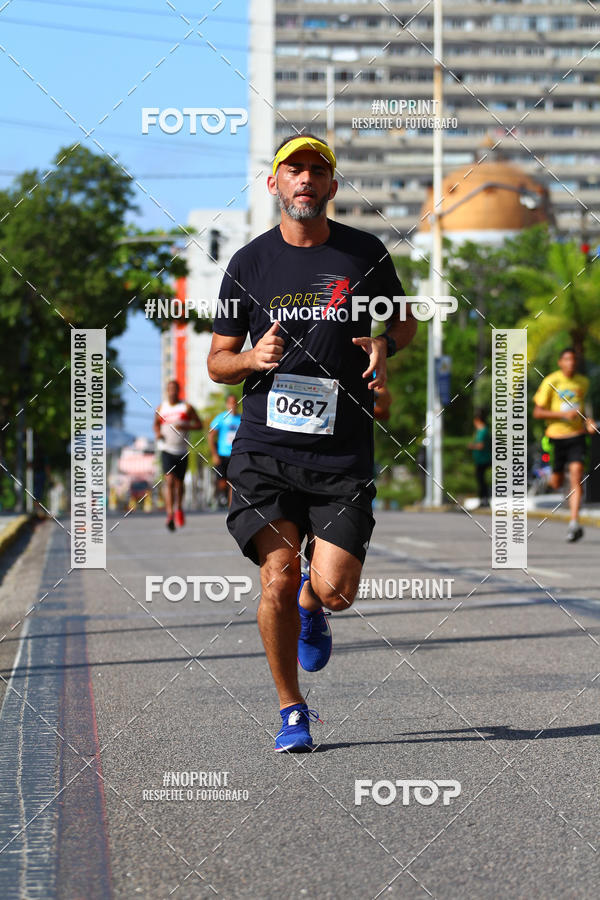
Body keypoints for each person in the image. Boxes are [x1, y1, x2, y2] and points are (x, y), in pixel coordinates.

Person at [207, 133, 417, 752]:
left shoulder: (365, 253)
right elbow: (217, 362)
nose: (304, 180)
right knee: (276, 572)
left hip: (341, 453)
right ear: (274, 184)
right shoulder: (247, 264)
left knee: (335, 590)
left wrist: (386, 344)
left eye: (316, 171)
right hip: (264, 450)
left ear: (331, 186)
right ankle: (291, 709)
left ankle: (313, 604)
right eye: (292, 170)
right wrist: (250, 358)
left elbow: (401, 320)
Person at [533, 348, 596, 542]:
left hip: (576, 436)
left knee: (577, 474)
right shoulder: (551, 381)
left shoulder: (583, 382)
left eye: (574, 359)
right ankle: (554, 479)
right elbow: (538, 412)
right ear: (560, 362)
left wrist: (589, 421)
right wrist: (562, 415)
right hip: (555, 437)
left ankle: (574, 522)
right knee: (557, 482)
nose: (571, 363)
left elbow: (585, 409)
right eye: (567, 359)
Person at [154, 379, 202, 531]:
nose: (172, 391)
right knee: (169, 482)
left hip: (182, 451)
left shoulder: (186, 407)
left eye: (175, 389)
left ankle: (179, 508)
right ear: (167, 391)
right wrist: (158, 434)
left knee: (179, 484)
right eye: (170, 389)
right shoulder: (162, 407)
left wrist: (186, 425)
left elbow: (199, 424)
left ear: (178, 390)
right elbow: (156, 424)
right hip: (166, 449)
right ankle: (169, 514)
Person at [208, 394, 241, 507]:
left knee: (233, 482)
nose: (233, 405)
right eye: (230, 402)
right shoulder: (221, 418)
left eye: (234, 402)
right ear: (227, 404)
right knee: (222, 482)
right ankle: (223, 494)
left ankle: (230, 509)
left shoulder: (242, 418)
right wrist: (214, 454)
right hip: (222, 454)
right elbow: (211, 436)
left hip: (236, 455)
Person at [468, 409, 492, 506]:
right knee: (480, 479)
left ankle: (484, 499)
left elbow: (481, 445)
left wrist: (472, 446)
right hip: (480, 459)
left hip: (484, 459)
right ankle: (483, 499)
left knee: (481, 480)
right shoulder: (480, 431)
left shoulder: (483, 431)